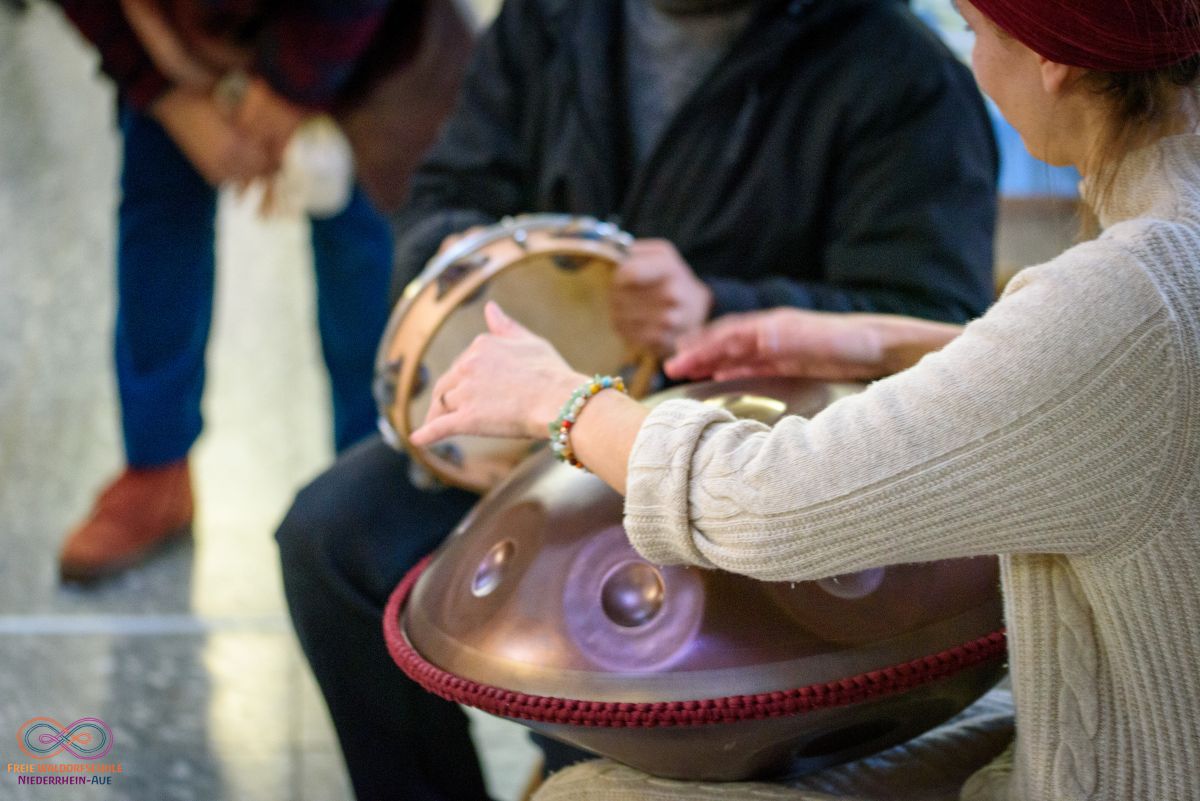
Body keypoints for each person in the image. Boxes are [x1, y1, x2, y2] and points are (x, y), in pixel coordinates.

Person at [415, 0, 1200, 797]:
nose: (973, 62)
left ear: (1053, 57)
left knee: (590, 795)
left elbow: (762, 503)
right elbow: (1102, 386)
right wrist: (878, 342)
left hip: (1115, 775)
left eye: (977, 32)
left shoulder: (1127, 293)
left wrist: (566, 401)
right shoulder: (1169, 246)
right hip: (1072, 733)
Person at [273, 0, 1001, 798]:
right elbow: (448, 188)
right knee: (331, 540)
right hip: (537, 428)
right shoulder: (551, 18)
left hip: (732, 466)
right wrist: (458, 259)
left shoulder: (901, 73)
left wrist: (715, 305)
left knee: (598, 638)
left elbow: (926, 325)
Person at [52, 0, 441, 582]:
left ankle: (374, 479)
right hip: (173, 32)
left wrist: (293, 90)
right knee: (157, 209)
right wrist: (165, 94)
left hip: (355, 38)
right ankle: (155, 468)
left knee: (363, 238)